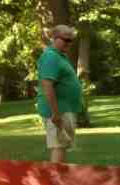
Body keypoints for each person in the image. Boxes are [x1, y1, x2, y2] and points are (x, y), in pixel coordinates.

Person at [36, 25, 83, 163]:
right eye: (66, 40)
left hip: (64, 109)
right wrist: (55, 113)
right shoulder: (50, 57)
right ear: (54, 38)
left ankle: (57, 178)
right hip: (58, 111)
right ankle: (54, 181)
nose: (69, 43)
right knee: (58, 146)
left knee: (62, 146)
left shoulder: (60, 57)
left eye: (71, 41)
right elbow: (47, 85)